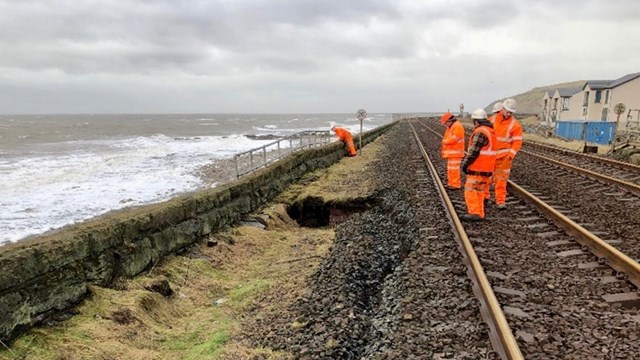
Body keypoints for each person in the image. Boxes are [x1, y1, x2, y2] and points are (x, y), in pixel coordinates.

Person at [460, 109, 497, 221]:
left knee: (470, 190)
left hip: (477, 169)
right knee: (480, 191)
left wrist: (465, 164)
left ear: (476, 122)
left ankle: (474, 212)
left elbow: (473, 152)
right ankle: (480, 212)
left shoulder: (481, 132)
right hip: (487, 169)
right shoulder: (491, 132)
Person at [490, 98, 523, 209]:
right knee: (485, 178)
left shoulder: (515, 125)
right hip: (489, 156)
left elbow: (517, 142)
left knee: (501, 180)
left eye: (511, 112)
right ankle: (484, 197)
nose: (508, 114)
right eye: (507, 111)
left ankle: (500, 201)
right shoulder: (492, 120)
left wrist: (510, 155)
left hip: (503, 158)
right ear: (502, 108)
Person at [440, 112, 465, 189]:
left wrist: (444, 141)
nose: (445, 125)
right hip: (452, 153)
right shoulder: (452, 126)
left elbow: (454, 139)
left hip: (456, 153)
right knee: (451, 169)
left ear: (449, 121)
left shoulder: (457, 126)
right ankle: (451, 183)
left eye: (445, 123)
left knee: (454, 170)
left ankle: (455, 184)